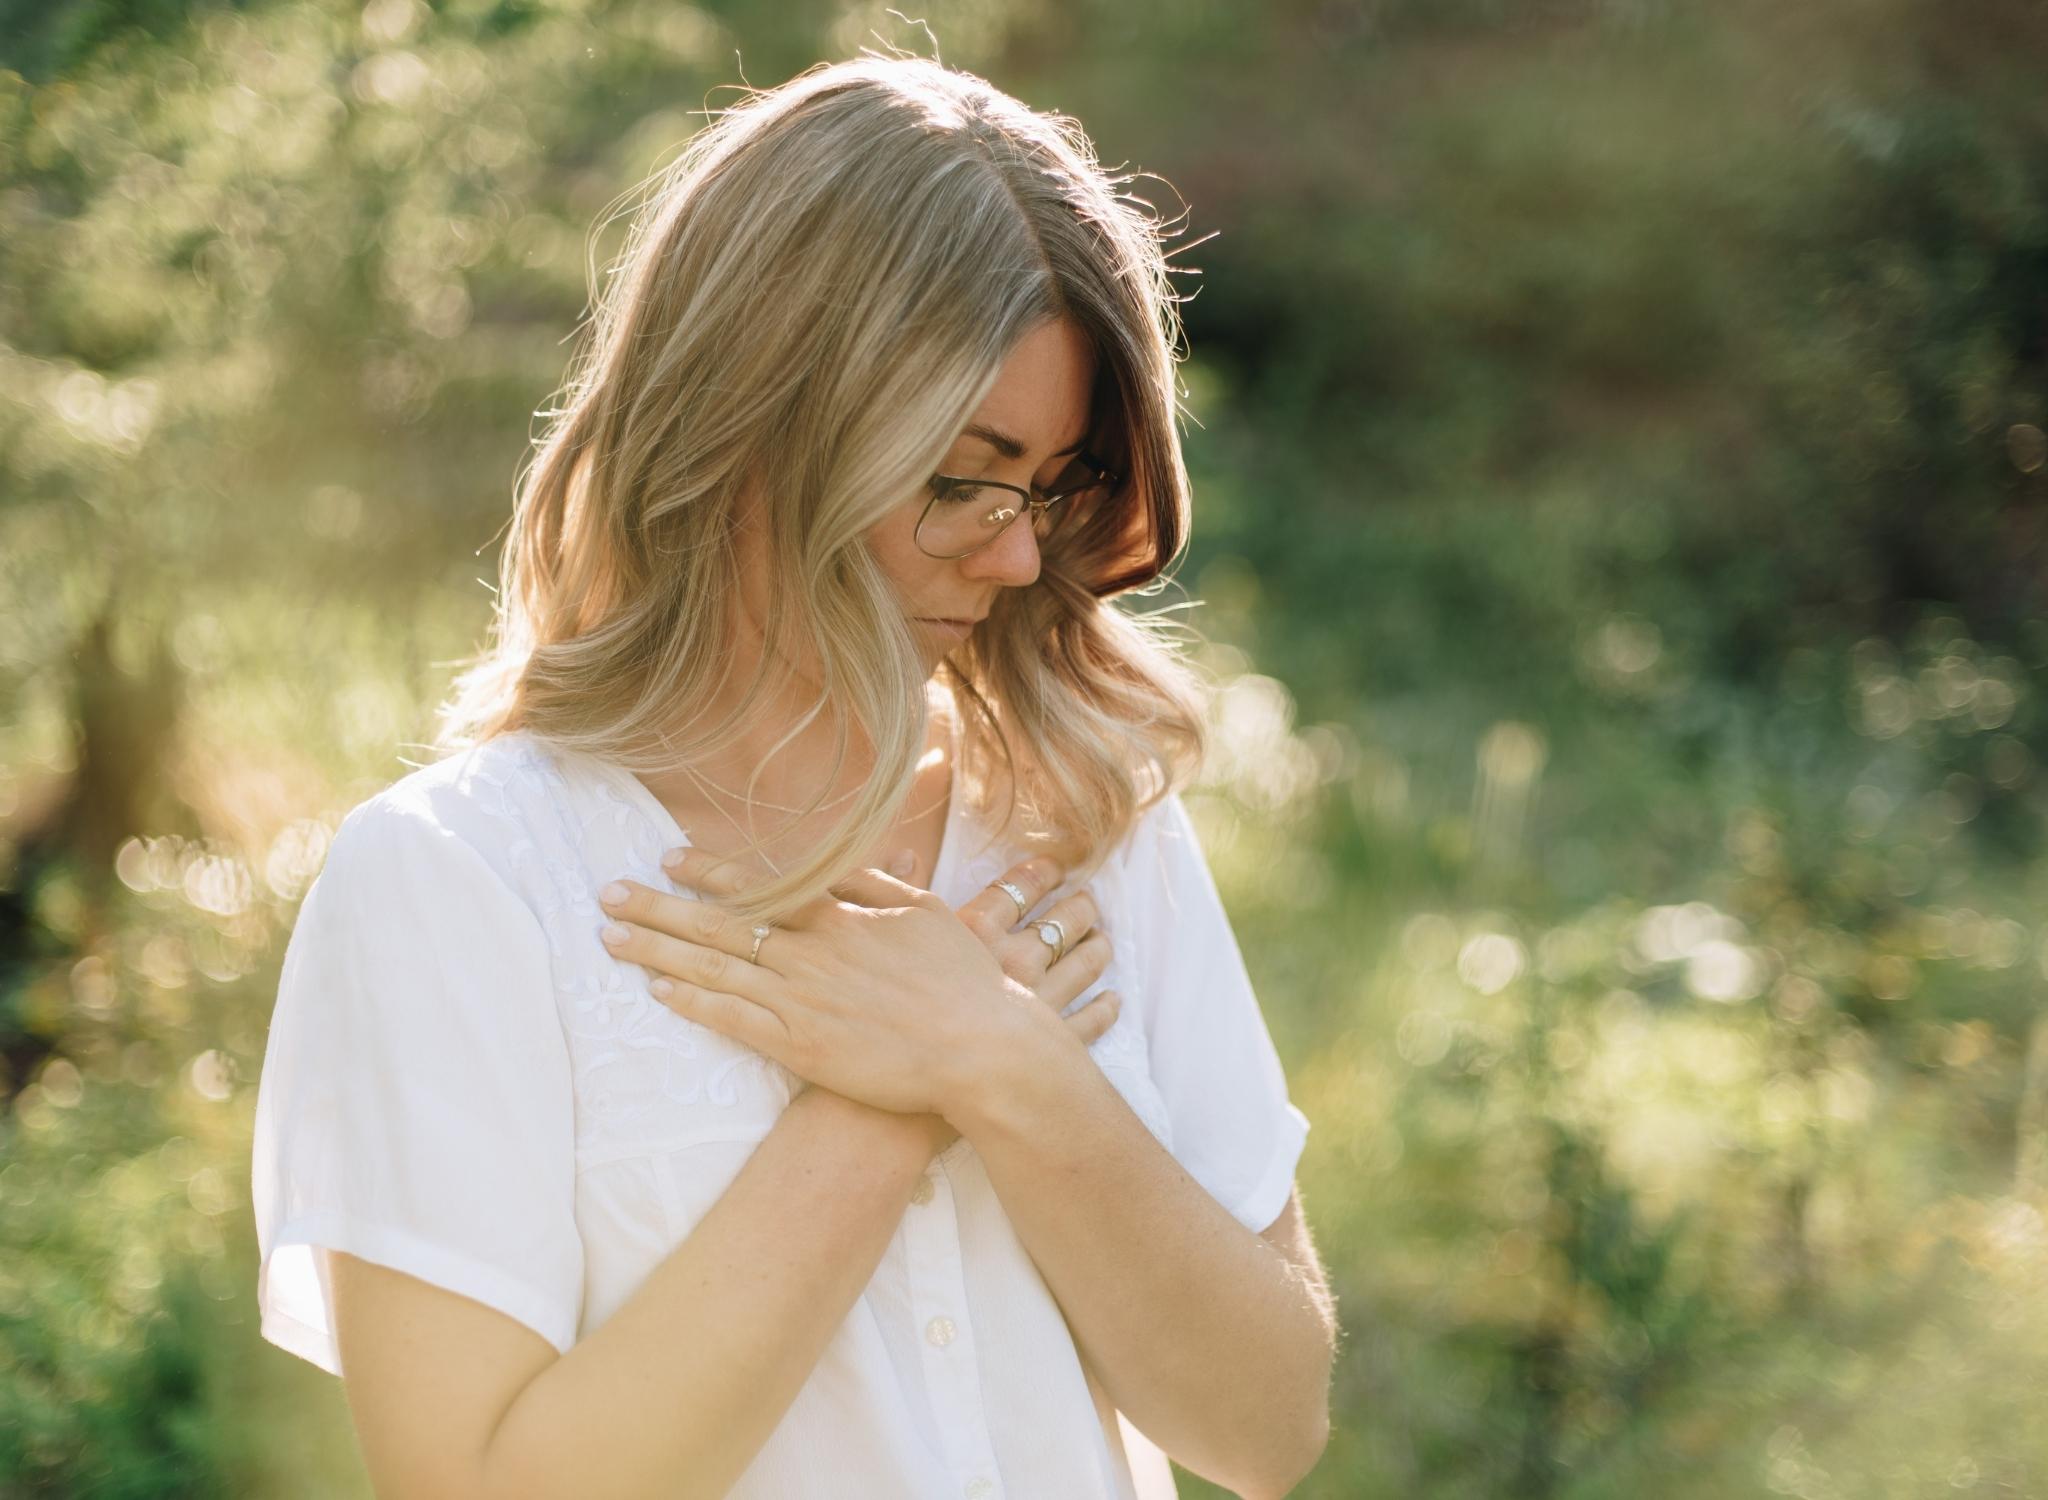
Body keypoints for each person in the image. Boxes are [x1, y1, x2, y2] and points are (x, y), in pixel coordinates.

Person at [250, 52, 1335, 1500]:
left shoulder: (1084, 825)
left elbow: (1267, 1432)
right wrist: (880, 1112)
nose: (1018, 554)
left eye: (1053, 486)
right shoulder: (458, 884)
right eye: (964, 475)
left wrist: (1008, 1063)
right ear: (758, 424)